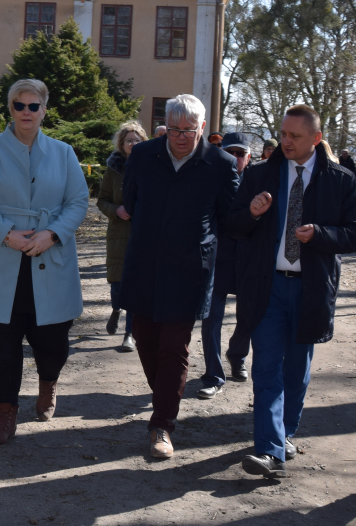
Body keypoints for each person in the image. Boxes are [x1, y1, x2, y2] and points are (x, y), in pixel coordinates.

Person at [227, 104, 356, 478]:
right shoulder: (259, 175)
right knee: (267, 369)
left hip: (310, 288)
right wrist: (252, 213)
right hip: (266, 286)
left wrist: (321, 235)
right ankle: (270, 451)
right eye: (283, 134)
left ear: (316, 139)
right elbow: (233, 225)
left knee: (297, 371)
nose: (286, 141)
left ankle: (286, 433)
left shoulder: (340, 180)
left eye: (295, 136)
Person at [0, 78, 90, 448]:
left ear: (44, 109)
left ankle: (48, 383)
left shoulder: (63, 153)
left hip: (50, 257)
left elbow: (78, 202)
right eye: (20, 106)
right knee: (2, 341)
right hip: (1, 261)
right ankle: (5, 416)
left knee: (53, 343)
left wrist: (52, 234)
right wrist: (6, 233)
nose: (27, 113)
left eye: (34, 106)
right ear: (10, 108)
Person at [120, 94, 239, 459]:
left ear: (203, 128)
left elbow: (230, 218)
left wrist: (252, 211)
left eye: (189, 130)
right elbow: (131, 200)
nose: (181, 137)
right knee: (144, 338)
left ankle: (162, 426)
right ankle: (165, 394)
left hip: (190, 269)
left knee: (175, 346)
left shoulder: (220, 163)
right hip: (143, 264)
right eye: (174, 129)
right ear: (164, 127)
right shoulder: (143, 156)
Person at [197, 131, 257, 398]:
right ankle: (213, 374)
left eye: (240, 153)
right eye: (230, 152)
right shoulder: (212, 177)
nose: (235, 157)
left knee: (248, 318)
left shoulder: (259, 181)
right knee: (211, 320)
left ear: (249, 157)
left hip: (248, 261)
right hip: (217, 260)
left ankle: (237, 355)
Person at [97, 120, 148, 353]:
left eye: (137, 140)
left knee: (136, 284)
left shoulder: (151, 167)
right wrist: (116, 210)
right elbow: (102, 200)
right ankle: (116, 309)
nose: (133, 144)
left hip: (142, 233)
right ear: (122, 144)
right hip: (118, 233)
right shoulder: (113, 168)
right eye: (129, 140)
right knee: (118, 284)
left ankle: (129, 334)